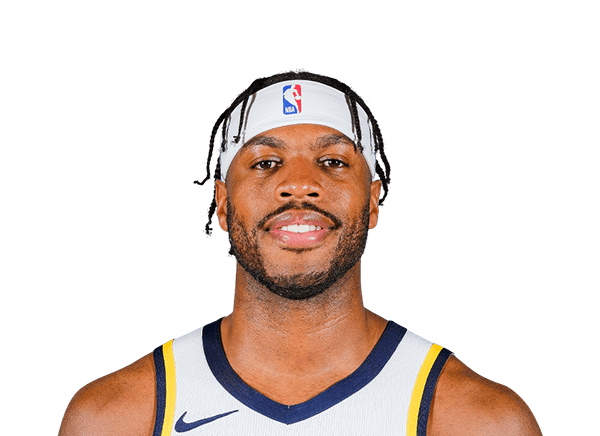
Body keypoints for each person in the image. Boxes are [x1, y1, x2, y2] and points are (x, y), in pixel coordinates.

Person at [58, 69, 542, 436]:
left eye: (332, 161)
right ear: (223, 204)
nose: (299, 185)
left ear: (373, 201)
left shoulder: (475, 421)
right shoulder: (119, 418)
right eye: (266, 162)